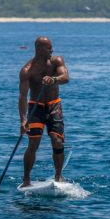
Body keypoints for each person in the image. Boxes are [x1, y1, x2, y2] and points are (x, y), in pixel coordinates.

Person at [19, 36, 70, 187]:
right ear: (40, 50)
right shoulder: (27, 70)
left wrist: (54, 79)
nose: (52, 50)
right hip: (36, 106)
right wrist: (23, 120)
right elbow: (22, 96)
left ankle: (59, 175)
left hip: (54, 105)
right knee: (33, 142)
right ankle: (26, 179)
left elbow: (66, 77)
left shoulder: (56, 61)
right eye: (49, 48)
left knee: (57, 139)